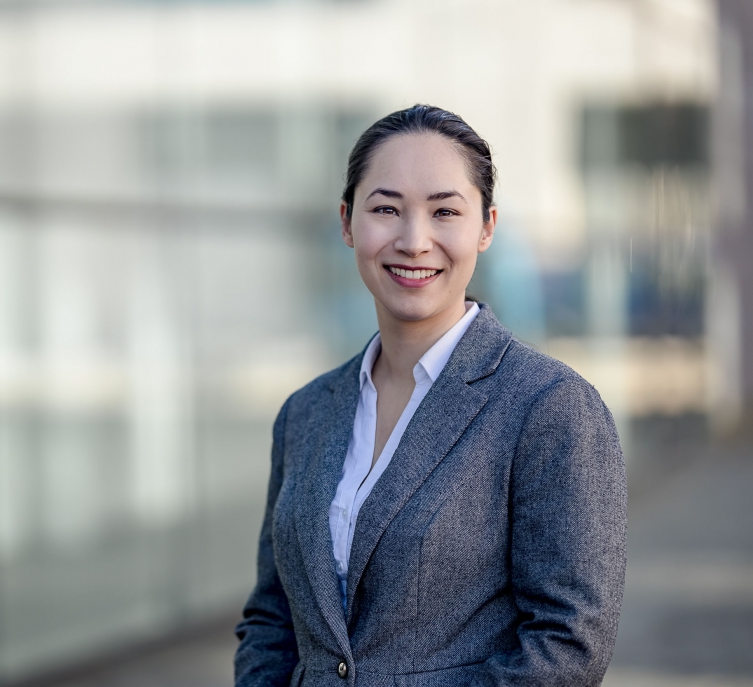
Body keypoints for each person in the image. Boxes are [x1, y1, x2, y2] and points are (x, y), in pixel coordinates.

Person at [234, 105, 626, 687]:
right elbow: (273, 617)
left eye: (445, 211)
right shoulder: (305, 412)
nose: (414, 241)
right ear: (347, 223)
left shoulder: (549, 407)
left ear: (487, 227)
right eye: (386, 209)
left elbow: (566, 647)